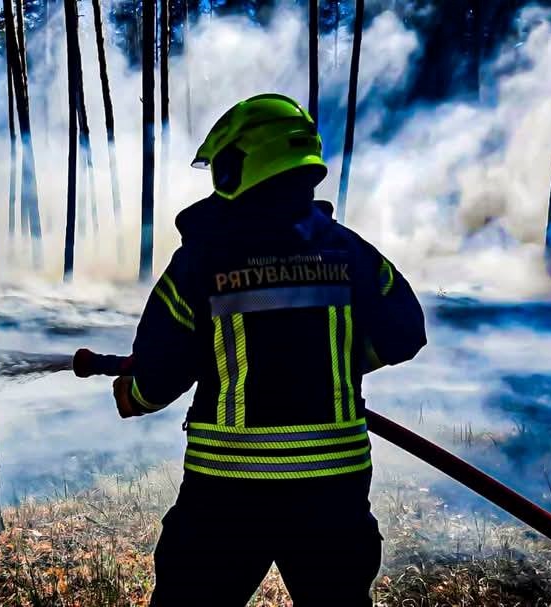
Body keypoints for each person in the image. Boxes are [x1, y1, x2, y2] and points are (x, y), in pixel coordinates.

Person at [112, 93, 427, 606]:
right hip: (334, 489)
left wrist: (135, 394)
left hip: (229, 493)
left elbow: (162, 362)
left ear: (240, 165)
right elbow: (406, 332)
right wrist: (339, 363)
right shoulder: (351, 252)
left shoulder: (201, 260)